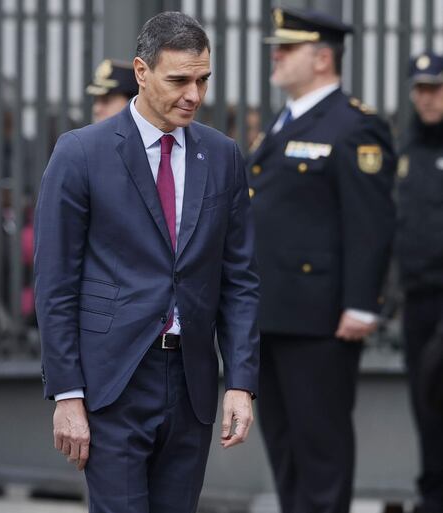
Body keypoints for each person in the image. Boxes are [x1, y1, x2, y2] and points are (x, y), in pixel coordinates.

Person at [34, 12, 260, 513]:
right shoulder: (80, 154)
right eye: (179, 80)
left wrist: (241, 382)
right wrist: (67, 394)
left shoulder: (222, 156)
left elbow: (239, 279)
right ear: (141, 71)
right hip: (111, 383)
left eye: (203, 80)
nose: (194, 95)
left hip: (192, 382)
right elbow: (56, 284)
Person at [247, 8, 396, 513]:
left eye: (287, 48)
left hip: (320, 319)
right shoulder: (285, 120)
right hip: (274, 313)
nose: (276, 54)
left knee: (320, 448)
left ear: (322, 58)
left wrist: (361, 303)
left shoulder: (353, 125)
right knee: (285, 447)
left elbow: (370, 222)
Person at [395, 52, 443, 513]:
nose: (427, 98)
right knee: (424, 402)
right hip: (417, 297)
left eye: (436, 88)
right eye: (421, 89)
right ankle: (432, 494)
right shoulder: (406, 148)